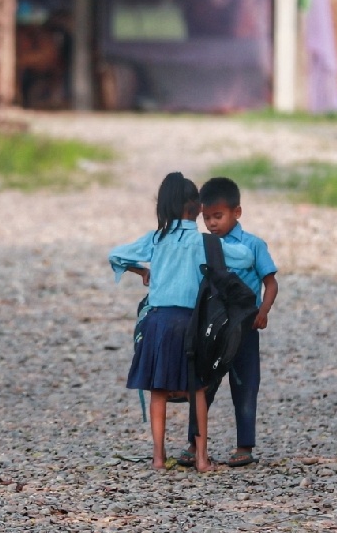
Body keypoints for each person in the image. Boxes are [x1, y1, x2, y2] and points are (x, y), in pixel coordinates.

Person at [108, 172, 254, 472]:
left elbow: (117, 255)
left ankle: (158, 459)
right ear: (197, 208)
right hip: (192, 323)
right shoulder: (204, 242)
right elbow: (244, 258)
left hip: (158, 322)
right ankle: (201, 459)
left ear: (162, 206)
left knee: (158, 391)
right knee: (197, 389)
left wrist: (142, 272)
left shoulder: (155, 239)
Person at [180, 176, 279, 468]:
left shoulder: (253, 245)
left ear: (237, 212)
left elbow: (271, 283)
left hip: (245, 326)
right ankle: (194, 442)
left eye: (218, 216)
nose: (211, 224)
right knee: (202, 385)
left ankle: (244, 445)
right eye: (207, 218)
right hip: (212, 327)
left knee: (245, 384)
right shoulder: (203, 245)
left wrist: (264, 310)